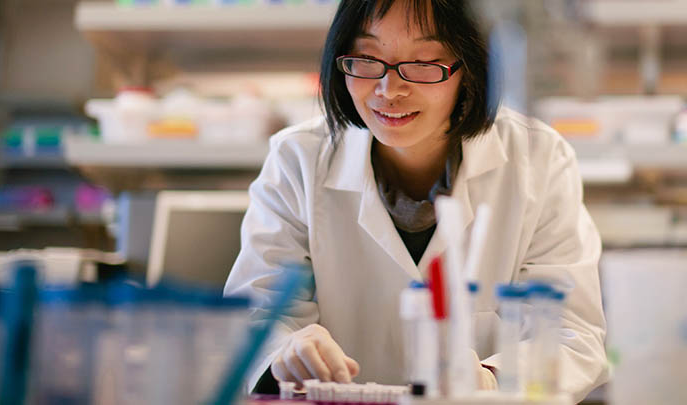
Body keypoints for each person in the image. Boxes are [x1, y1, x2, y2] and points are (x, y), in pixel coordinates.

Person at [224, 0, 608, 401]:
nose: (390, 90)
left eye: (424, 62)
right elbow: (255, 317)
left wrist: (493, 379)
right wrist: (284, 350)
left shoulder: (537, 157)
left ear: (471, 66)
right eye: (368, 58)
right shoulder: (298, 158)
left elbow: (572, 334)